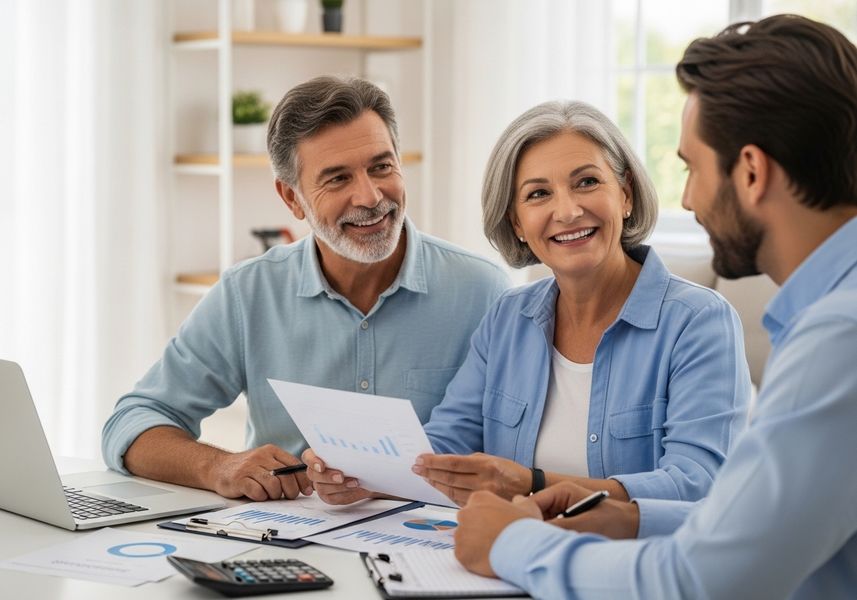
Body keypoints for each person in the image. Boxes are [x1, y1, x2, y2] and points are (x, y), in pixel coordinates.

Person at [454, 14, 857, 599]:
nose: (689, 198)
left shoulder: (837, 339)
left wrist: (513, 542)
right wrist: (629, 516)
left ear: (750, 171)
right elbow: (753, 529)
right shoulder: (829, 321)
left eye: (692, 167)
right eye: (539, 194)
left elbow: (696, 581)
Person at [304, 100, 751, 507]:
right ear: (517, 223)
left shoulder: (699, 322)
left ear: (626, 194)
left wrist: (533, 484)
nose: (569, 210)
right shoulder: (507, 318)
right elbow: (445, 444)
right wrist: (362, 474)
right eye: (539, 194)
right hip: (511, 561)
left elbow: (697, 483)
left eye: (587, 182)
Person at [101, 76, 510, 502]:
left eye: (381, 167)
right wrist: (219, 467)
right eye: (337, 179)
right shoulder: (249, 294)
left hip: (433, 545)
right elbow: (132, 423)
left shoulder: (484, 292)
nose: (369, 196)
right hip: (288, 543)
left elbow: (513, 454)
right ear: (292, 198)